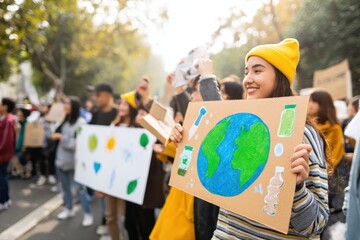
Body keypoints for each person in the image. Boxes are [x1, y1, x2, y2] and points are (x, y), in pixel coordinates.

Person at [170, 39, 330, 239]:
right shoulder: (235, 125)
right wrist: (185, 141)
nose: (248, 79)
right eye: (246, 72)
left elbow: (316, 224)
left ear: (279, 76)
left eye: (257, 70)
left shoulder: (303, 135)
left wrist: (297, 189)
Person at [308, 90, 347, 238]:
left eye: (313, 101)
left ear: (322, 105)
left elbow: (333, 159)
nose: (310, 104)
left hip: (330, 184)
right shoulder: (308, 127)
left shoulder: (334, 129)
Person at [54, 96, 93, 227]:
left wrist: (62, 138)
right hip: (62, 161)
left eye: (68, 104)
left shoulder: (80, 123)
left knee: (80, 189)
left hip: (76, 162)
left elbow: (79, 144)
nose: (65, 106)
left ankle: (87, 214)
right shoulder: (65, 121)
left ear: (74, 106)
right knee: (65, 188)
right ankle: (68, 209)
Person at [105, 97, 138, 240]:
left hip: (127, 177)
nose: (122, 107)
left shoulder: (136, 128)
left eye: (126, 104)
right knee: (110, 216)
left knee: (126, 217)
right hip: (112, 176)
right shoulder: (114, 125)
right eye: (121, 104)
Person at [89, 83, 118, 237]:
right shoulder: (95, 114)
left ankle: (111, 225)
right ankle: (104, 221)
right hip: (99, 162)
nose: (96, 98)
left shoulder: (118, 114)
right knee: (101, 194)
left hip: (115, 163)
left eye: (98, 95)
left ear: (107, 95)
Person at [0, 98, 16, 211]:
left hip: (2, 155)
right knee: (3, 177)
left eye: (1, 104)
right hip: (4, 155)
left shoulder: (8, 121)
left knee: (2, 178)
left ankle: (2, 201)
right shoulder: (5, 119)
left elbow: (6, 141)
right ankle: (6, 199)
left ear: (5, 107)